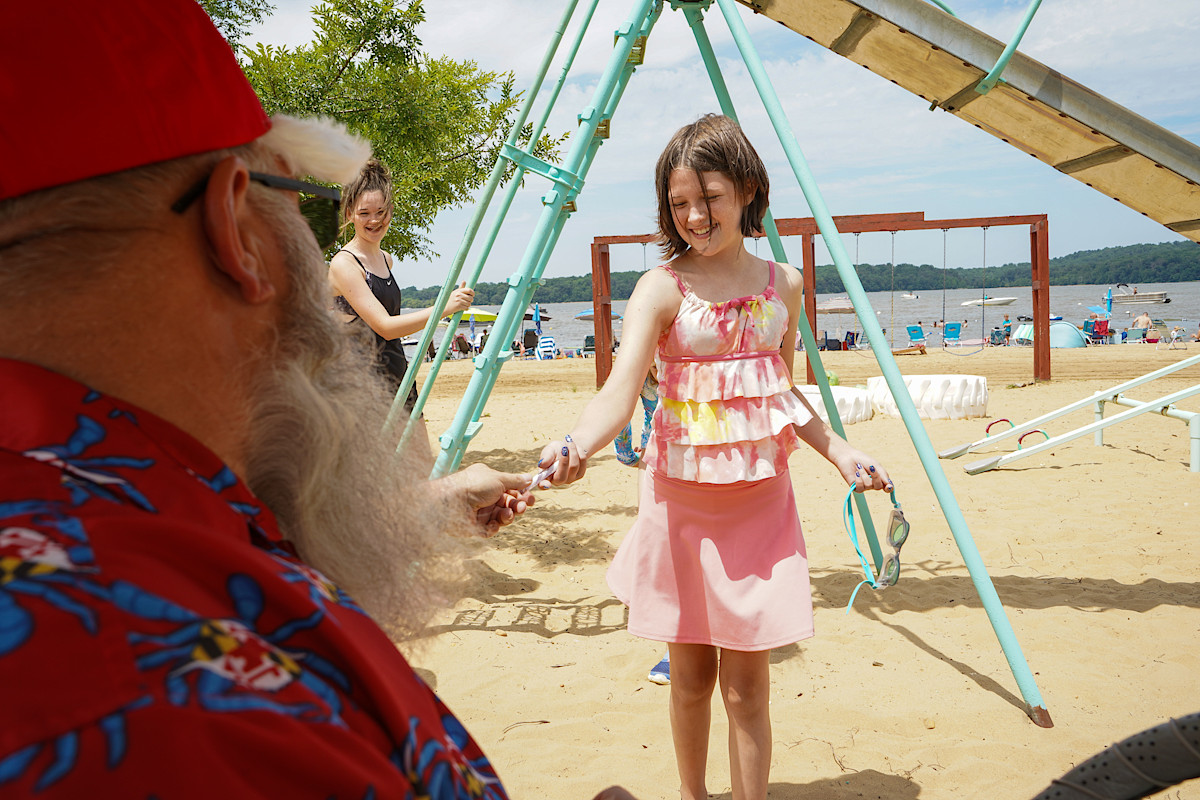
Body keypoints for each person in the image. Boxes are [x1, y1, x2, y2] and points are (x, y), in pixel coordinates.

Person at [0, 3, 633, 798]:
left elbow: (210, 548)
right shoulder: (159, 696)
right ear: (238, 227)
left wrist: (426, 507)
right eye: (293, 199)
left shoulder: (85, 494)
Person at [534, 115, 893, 800]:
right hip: (680, 503)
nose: (696, 216)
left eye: (712, 196)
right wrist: (578, 444)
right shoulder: (662, 288)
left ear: (749, 190)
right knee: (692, 679)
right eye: (679, 203)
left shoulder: (784, 284)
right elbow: (617, 392)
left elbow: (779, 393)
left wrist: (841, 452)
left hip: (761, 503)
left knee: (749, 687)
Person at [330, 159, 474, 411]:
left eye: (381, 212)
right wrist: (444, 307)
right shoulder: (344, 264)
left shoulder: (386, 260)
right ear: (350, 212)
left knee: (420, 453)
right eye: (364, 213)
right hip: (360, 389)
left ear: (391, 210)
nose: (374, 221)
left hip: (399, 377)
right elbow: (385, 327)